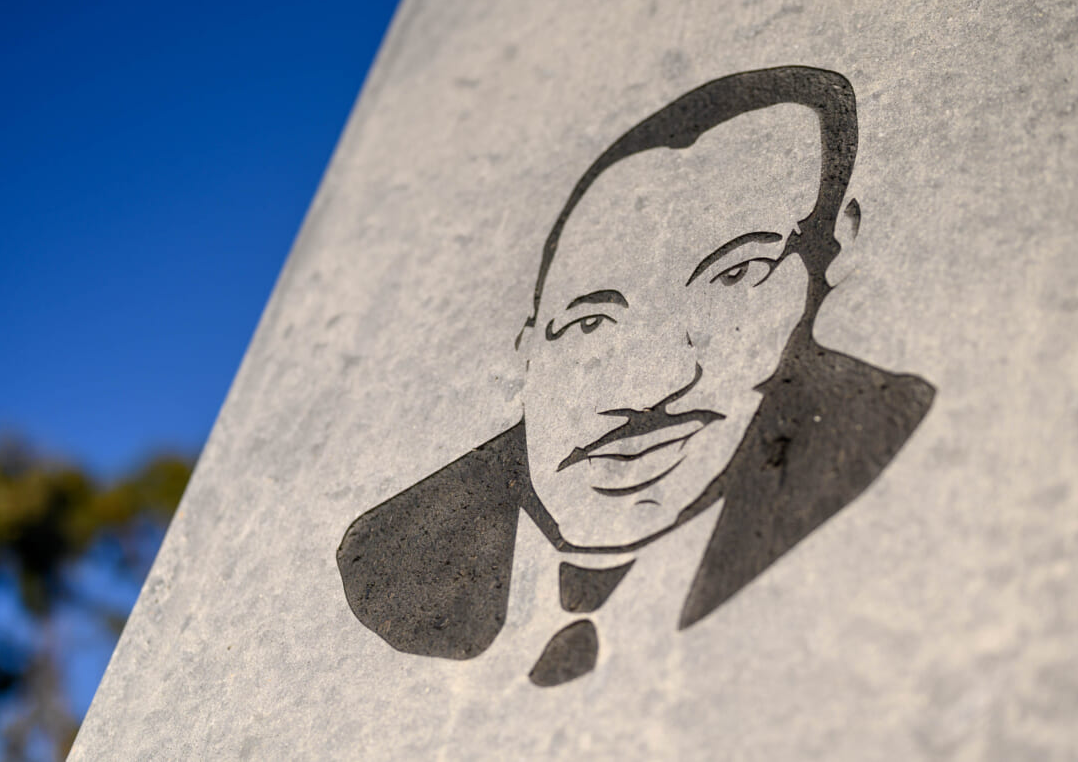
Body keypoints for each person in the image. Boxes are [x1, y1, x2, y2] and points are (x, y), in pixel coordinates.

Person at [337, 66, 935, 687]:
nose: (655, 386)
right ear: (528, 346)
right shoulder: (391, 559)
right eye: (590, 322)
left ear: (834, 254)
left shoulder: (891, 456)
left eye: (734, 277)